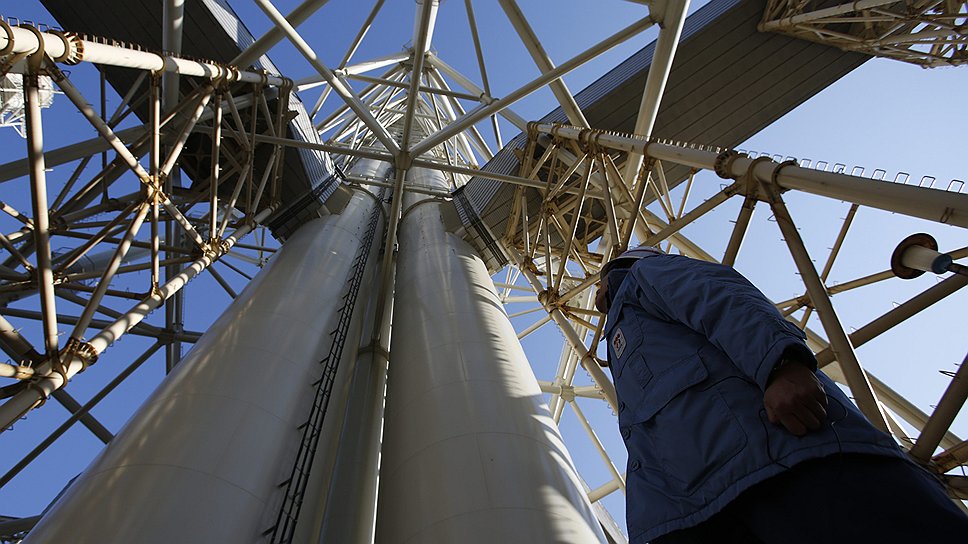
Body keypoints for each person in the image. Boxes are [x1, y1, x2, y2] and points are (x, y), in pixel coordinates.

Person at [595, 245, 968, 543]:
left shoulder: (647, 274)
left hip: (783, 454)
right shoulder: (620, 332)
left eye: (600, 282)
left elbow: (721, 300)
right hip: (702, 504)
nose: (596, 292)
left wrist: (782, 364)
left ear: (616, 273)